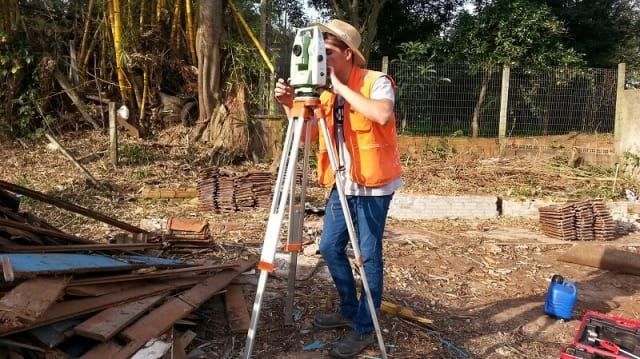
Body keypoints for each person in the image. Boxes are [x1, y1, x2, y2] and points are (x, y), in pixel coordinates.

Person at [274, 19, 403, 358]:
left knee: (368, 256)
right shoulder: (325, 96)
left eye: (327, 52)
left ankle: (365, 328)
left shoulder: (376, 82)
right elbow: (306, 138)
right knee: (330, 247)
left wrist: (338, 86)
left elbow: (382, 115)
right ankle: (349, 307)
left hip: (374, 187)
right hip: (342, 184)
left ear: (348, 54)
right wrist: (290, 105)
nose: (321, 58)